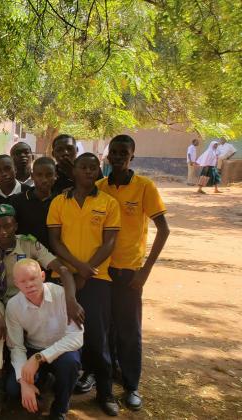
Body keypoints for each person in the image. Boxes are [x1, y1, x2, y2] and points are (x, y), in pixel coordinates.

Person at [0, 204, 82, 415]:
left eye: (8, 226)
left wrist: (70, 299)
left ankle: (57, 402)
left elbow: (62, 270)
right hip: (0, 302)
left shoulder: (29, 244)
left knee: (68, 362)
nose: (3, 231)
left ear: (16, 226)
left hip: (25, 298)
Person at [98, 134, 170, 411]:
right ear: (108, 155)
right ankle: (104, 380)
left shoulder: (144, 187)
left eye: (123, 153)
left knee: (129, 330)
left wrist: (145, 271)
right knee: (105, 329)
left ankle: (131, 385)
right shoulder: (100, 187)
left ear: (132, 157)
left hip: (130, 271)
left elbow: (163, 230)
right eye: (114, 152)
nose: (117, 157)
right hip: (103, 271)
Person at [47, 152, 121, 416]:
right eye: (84, 167)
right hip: (63, 278)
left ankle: (105, 393)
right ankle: (61, 398)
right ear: (74, 171)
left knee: (97, 338)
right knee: (62, 335)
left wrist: (85, 272)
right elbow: (55, 241)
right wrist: (78, 267)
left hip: (97, 279)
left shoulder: (109, 203)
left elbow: (109, 242)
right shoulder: (59, 201)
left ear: (98, 171)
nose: (89, 171)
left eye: (93, 167)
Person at [5, 259, 83, 420]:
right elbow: (16, 346)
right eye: (23, 281)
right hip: (33, 348)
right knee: (14, 388)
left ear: (42, 276)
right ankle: (40, 390)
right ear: (16, 284)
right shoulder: (13, 306)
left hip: (61, 350)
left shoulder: (62, 295)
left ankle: (60, 408)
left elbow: (76, 337)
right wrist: (24, 382)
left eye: (33, 278)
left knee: (70, 364)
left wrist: (39, 357)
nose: (29, 285)